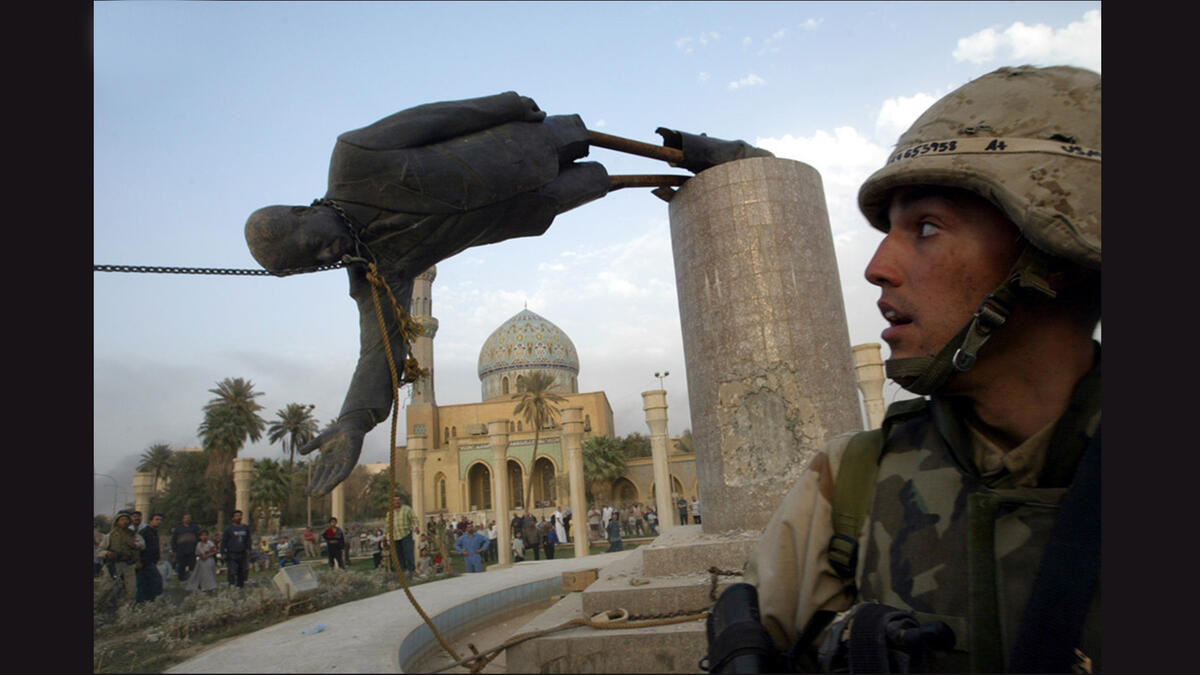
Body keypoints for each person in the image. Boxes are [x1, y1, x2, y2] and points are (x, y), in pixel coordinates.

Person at [735, 65, 1101, 674]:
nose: (876, 267)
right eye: (889, 231)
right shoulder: (847, 486)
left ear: (1052, 255)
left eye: (926, 228)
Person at [247, 92, 612, 500]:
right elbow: (378, 351)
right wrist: (353, 421)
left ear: (302, 211)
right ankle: (660, 174)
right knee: (602, 181)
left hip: (509, 148)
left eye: (313, 243)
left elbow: (437, 119)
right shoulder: (374, 271)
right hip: (522, 209)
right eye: (312, 261)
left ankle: (675, 152)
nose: (326, 254)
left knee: (585, 137)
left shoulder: (354, 158)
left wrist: (506, 105)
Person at [100, 513, 140, 605]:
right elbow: (99, 551)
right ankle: (101, 606)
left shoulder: (133, 535)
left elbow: (141, 545)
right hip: (114, 564)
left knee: (131, 589)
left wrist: (135, 545)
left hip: (129, 564)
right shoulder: (110, 536)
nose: (125, 522)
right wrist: (107, 553)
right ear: (117, 522)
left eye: (126, 520)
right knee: (108, 587)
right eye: (122, 520)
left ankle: (126, 610)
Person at [135, 514, 164, 603]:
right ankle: (146, 602)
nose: (159, 521)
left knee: (147, 583)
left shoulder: (154, 532)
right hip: (144, 562)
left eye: (160, 520)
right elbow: (137, 548)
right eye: (156, 519)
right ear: (150, 521)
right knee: (156, 580)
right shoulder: (144, 532)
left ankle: (148, 603)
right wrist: (138, 561)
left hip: (151, 561)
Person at [388, 495, 419, 577]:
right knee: (398, 555)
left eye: (398, 500)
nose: (397, 502)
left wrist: (416, 526)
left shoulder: (407, 509)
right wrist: (385, 535)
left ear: (401, 501)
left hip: (406, 534)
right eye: (395, 500)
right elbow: (387, 524)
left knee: (408, 553)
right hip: (395, 536)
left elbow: (414, 518)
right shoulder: (390, 512)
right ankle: (402, 572)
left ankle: (412, 571)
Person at [220, 509, 253, 587]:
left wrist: (248, 549)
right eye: (237, 516)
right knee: (232, 571)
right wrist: (222, 552)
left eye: (240, 515)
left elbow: (248, 540)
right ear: (233, 518)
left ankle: (241, 586)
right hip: (232, 554)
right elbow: (224, 541)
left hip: (242, 553)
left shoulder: (245, 528)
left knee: (243, 571)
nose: (239, 517)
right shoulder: (228, 529)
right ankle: (231, 585)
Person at [169, 513, 200, 582]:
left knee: (192, 566)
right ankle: (181, 580)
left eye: (189, 518)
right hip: (181, 550)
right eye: (186, 518)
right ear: (183, 519)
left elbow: (199, 538)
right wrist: (174, 550)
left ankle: (193, 580)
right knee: (181, 566)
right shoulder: (178, 529)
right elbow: (174, 540)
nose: (187, 519)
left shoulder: (195, 527)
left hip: (192, 550)